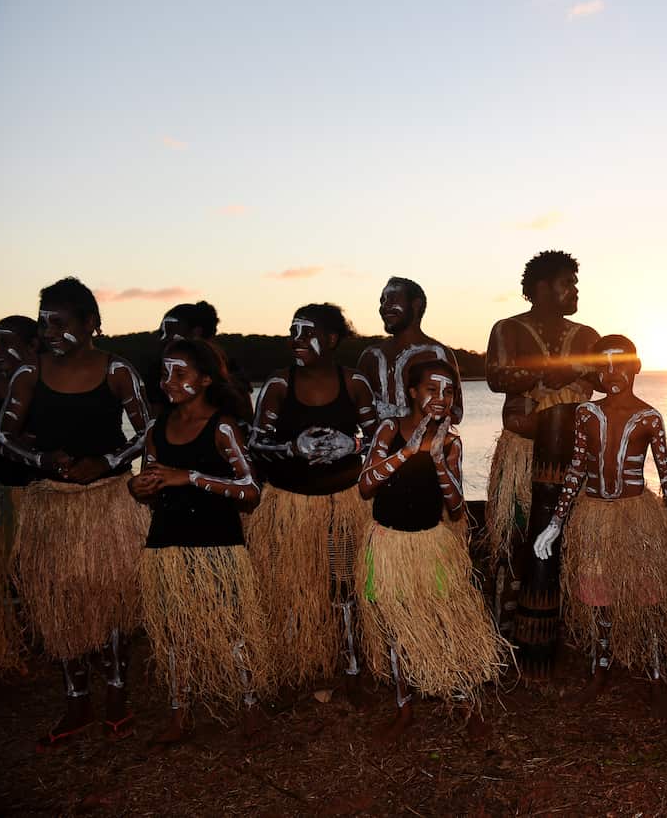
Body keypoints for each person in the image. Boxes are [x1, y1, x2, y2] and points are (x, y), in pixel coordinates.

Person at [0, 277, 152, 748]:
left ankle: (117, 695)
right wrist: (43, 460)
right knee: (58, 601)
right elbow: (5, 436)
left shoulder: (117, 370)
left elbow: (150, 432)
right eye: (44, 323)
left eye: (60, 322)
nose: (49, 332)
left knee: (111, 598)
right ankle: (75, 699)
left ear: (91, 324)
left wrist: (108, 462)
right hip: (52, 504)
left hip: (107, 500)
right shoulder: (29, 374)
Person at [533, 336, 667, 715]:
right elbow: (576, 469)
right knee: (599, 596)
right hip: (594, 517)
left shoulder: (649, 418)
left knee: (649, 596)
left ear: (636, 366)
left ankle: (656, 674)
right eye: (603, 365)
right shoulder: (587, 414)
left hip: (638, 517)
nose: (612, 373)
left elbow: (666, 475)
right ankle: (600, 669)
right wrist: (556, 524)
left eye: (620, 364)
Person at [357, 359, 508, 741]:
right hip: (388, 545)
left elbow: (457, 507)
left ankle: (466, 702)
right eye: (431, 389)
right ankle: (403, 708)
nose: (440, 398)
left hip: (431, 543)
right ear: (411, 393)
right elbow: (365, 484)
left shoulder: (452, 440)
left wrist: (438, 459)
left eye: (448, 391)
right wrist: (409, 451)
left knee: (447, 619)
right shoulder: (389, 429)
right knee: (394, 625)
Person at [128, 339, 269, 745]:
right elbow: (150, 484)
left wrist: (188, 477)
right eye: (165, 374)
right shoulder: (156, 430)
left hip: (218, 545)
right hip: (167, 545)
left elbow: (251, 490)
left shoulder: (223, 427)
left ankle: (250, 706)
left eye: (180, 373)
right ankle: (179, 715)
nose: (168, 382)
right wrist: (138, 486)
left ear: (206, 379)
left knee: (233, 628)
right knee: (173, 633)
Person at [247, 304, 378, 703]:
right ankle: (295, 666)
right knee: (290, 587)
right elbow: (254, 442)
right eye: (293, 333)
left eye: (307, 333)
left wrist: (351, 443)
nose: (297, 341)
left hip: (342, 504)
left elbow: (380, 439)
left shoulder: (354, 383)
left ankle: (353, 667)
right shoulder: (278, 385)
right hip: (291, 504)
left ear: (332, 339)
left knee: (344, 586)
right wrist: (292, 446)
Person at [484, 251, 600, 673]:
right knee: (515, 534)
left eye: (575, 283)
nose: (574, 291)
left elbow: (602, 375)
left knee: (570, 539)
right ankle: (506, 627)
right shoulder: (508, 328)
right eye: (567, 282)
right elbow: (497, 375)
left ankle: (566, 625)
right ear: (540, 287)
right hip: (521, 451)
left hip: (571, 455)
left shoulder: (587, 333)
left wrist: (569, 373)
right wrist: (545, 374)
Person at [0, 315, 42, 675]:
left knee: (41, 573)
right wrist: (1, 444)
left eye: (5, 342)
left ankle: (49, 639)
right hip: (1, 495)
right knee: (1, 573)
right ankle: (6, 643)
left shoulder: (50, 383)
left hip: (47, 496)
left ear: (33, 346)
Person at [358, 277, 464, 422]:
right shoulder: (371, 356)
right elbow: (356, 409)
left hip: (425, 444)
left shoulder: (438, 354)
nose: (384, 307)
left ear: (416, 305)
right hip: (377, 443)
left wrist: (420, 418)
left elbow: (457, 413)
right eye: (382, 301)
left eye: (392, 299)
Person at [146, 301, 252, 422]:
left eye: (170, 332)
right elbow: (155, 423)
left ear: (196, 333)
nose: (163, 339)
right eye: (161, 333)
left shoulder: (230, 370)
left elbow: (246, 421)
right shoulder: (159, 371)